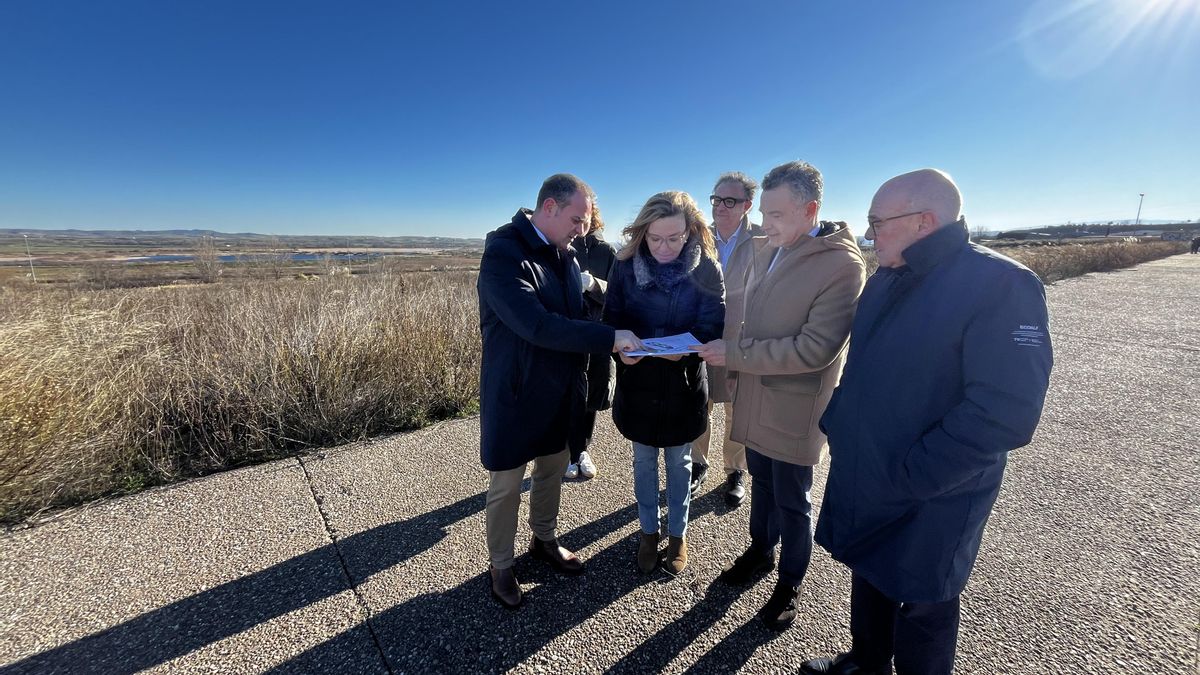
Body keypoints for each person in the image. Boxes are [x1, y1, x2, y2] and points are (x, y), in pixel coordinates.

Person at [799, 169, 1053, 674]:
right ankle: (868, 663)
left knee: (924, 601)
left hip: (936, 487)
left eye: (877, 222)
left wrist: (918, 473)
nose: (869, 234)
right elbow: (862, 363)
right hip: (870, 466)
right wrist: (839, 421)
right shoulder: (886, 277)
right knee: (870, 570)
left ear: (924, 221)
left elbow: (1006, 409)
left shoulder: (1001, 284)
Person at [694, 160, 866, 631]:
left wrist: (735, 354)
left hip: (793, 406)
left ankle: (790, 584)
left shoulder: (841, 265)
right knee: (762, 485)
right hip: (755, 393)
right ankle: (760, 551)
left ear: (810, 210)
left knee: (793, 500)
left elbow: (815, 349)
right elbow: (746, 313)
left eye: (776, 215)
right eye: (763, 214)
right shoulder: (770, 247)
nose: (765, 225)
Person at [477, 173, 642, 609]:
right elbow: (535, 325)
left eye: (585, 222)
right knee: (507, 484)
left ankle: (544, 541)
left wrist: (618, 340)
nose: (582, 230)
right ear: (549, 207)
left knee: (551, 471)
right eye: (577, 219)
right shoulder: (504, 253)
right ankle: (501, 565)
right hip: (516, 391)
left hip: (560, 389)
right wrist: (610, 339)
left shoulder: (565, 256)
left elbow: (578, 319)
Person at [604, 191, 725, 576]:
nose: (664, 247)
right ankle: (647, 532)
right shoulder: (624, 266)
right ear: (642, 233)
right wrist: (619, 349)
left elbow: (713, 323)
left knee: (679, 462)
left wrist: (686, 353)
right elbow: (611, 319)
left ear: (691, 231)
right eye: (655, 238)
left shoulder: (706, 268)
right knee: (643, 462)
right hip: (638, 383)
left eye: (674, 238)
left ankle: (677, 534)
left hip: (683, 387)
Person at [690, 171, 761, 506]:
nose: (720, 206)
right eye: (716, 199)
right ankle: (697, 464)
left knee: (737, 408)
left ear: (747, 205)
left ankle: (734, 471)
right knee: (698, 403)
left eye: (729, 201)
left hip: (740, 339)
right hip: (702, 336)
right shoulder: (697, 237)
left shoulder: (763, 240)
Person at [564, 202, 618, 480]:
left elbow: (619, 295)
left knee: (590, 394)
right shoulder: (558, 244)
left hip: (596, 332)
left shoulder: (606, 252)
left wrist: (594, 284)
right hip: (564, 333)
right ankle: (564, 451)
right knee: (564, 391)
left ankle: (582, 449)